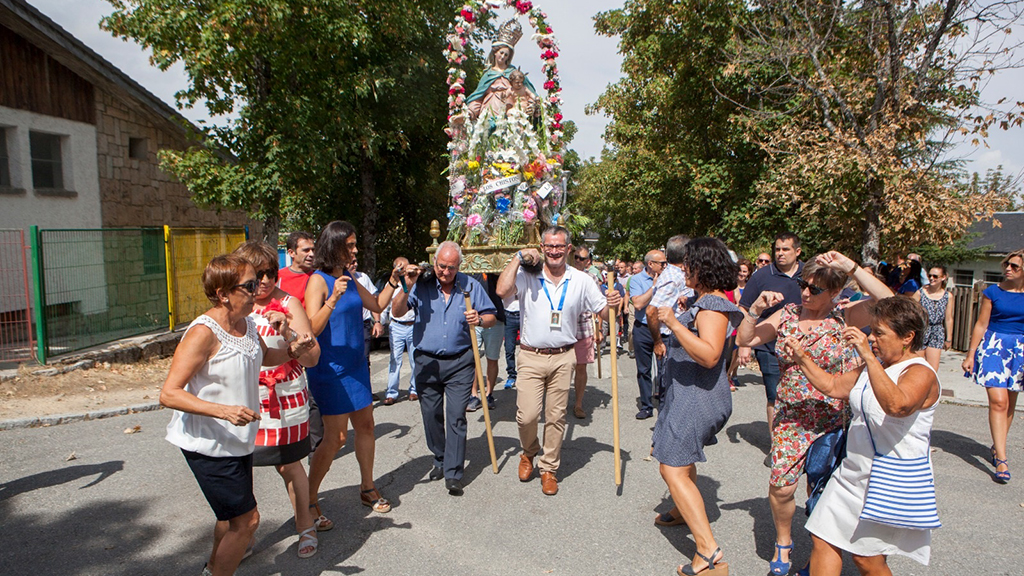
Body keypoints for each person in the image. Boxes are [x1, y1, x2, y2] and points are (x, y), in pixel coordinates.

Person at [737, 252, 895, 575]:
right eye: (803, 284)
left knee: (820, 493)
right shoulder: (788, 315)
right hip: (791, 416)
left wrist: (850, 266)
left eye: (815, 289)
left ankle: (819, 553)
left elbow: (889, 299)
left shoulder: (845, 316)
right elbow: (746, 338)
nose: (806, 293)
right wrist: (754, 309)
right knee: (781, 486)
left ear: (835, 291)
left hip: (831, 417)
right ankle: (784, 541)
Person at [162, 255, 314, 576]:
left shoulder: (245, 324)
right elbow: (169, 393)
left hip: (236, 441)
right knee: (247, 522)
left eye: (259, 279)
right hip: (207, 444)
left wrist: (291, 350)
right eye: (249, 284)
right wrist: (224, 411)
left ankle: (213, 568)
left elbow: (261, 356)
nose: (259, 287)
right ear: (223, 294)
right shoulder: (203, 332)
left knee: (231, 519)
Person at [782, 296, 940, 575]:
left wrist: (868, 355)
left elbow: (897, 406)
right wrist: (801, 357)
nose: (871, 338)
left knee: (867, 560)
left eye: (879, 333)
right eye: (871, 330)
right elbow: (832, 385)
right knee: (823, 538)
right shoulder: (876, 366)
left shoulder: (920, 371)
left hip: (886, 479)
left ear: (907, 337)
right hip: (851, 474)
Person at [496, 226, 621, 496]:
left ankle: (549, 468)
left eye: (559, 247)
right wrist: (517, 256)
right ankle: (529, 451)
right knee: (527, 415)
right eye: (549, 246)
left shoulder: (582, 280)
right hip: (530, 355)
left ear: (569, 249)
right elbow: (502, 290)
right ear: (542, 248)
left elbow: (603, 310)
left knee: (556, 417)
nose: (554, 251)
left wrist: (614, 303)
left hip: (564, 356)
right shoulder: (528, 275)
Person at [650, 238, 742, 576]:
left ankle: (709, 553)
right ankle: (680, 508)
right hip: (685, 394)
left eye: (688, 263)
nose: (682, 268)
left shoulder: (713, 306)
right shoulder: (702, 301)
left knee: (671, 468)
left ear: (702, 267)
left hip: (697, 397)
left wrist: (674, 323)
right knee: (680, 459)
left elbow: (710, 354)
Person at [304, 221, 403, 518]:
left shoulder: (349, 275)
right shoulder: (318, 281)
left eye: (355, 244)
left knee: (367, 427)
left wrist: (394, 281)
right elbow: (311, 327)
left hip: (356, 366)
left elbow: (375, 303)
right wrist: (332, 299)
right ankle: (308, 500)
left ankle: (367, 487)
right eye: (350, 245)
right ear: (334, 246)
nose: (355, 249)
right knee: (335, 439)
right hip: (330, 369)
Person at [232, 241, 324, 558]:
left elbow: (312, 357)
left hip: (284, 399)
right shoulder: (234, 306)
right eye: (258, 275)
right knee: (240, 467)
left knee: (289, 465)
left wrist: (288, 333)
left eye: (271, 272)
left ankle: (306, 524)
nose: (267, 281)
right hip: (245, 399)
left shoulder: (289, 303)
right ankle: (241, 536)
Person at [391, 241, 496, 495]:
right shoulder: (422, 284)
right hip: (427, 361)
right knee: (431, 415)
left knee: (457, 416)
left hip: (460, 361)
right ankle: (439, 457)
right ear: (434, 262)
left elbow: (491, 316)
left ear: (459, 266)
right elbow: (397, 311)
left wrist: (479, 319)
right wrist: (407, 284)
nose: (445, 272)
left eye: (451, 268)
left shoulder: (469, 285)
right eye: (441, 266)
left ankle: (453, 472)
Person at [962, 248, 1024, 484]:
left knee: (1010, 403)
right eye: (1007, 265)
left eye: (1015, 266)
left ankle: (998, 446)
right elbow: (980, 324)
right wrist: (970, 354)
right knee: (999, 401)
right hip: (995, 347)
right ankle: (1002, 459)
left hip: (1020, 351)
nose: (1008, 269)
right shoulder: (992, 292)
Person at [739, 232, 804, 449]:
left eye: (785, 249)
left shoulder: (809, 274)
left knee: (802, 394)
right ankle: (777, 446)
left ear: (797, 251)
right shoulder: (761, 276)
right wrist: (745, 344)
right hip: (769, 345)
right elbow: (744, 308)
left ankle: (801, 442)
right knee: (774, 395)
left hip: (804, 345)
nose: (780, 254)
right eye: (777, 249)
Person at [644, 235, 695, 419]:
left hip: (679, 338)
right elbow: (651, 311)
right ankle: (663, 438)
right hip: (670, 340)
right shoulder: (673, 278)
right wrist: (658, 341)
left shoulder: (679, 274)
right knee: (670, 393)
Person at [466, 19, 536, 121]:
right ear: (495, 52)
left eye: (506, 54)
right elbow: (478, 97)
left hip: (510, 110)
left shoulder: (513, 73)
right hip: (489, 110)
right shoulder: (488, 74)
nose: (503, 56)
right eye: (501, 53)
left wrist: (532, 105)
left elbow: (526, 91)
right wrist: (470, 112)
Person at [630, 250, 667, 420]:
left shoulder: (669, 278)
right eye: (662, 263)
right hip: (643, 327)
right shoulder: (637, 280)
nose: (665, 266)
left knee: (665, 368)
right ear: (651, 264)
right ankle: (646, 405)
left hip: (663, 328)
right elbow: (638, 304)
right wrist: (654, 287)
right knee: (643, 369)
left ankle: (665, 405)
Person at [570, 245, 602, 419]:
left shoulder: (591, 278)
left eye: (581, 258)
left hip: (583, 326)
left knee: (581, 366)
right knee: (562, 366)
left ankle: (578, 403)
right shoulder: (563, 275)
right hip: (563, 326)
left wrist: (598, 329)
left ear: (588, 261)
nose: (577, 261)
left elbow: (598, 305)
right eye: (575, 257)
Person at [468, 272, 505, 412]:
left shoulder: (495, 270)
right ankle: (473, 395)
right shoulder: (469, 269)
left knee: (492, 358)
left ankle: (489, 394)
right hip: (473, 317)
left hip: (495, 318)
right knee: (472, 358)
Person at [384, 257, 417, 405]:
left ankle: (415, 390)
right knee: (395, 359)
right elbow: (384, 304)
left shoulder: (414, 284)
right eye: (400, 267)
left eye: (406, 267)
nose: (403, 270)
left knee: (415, 359)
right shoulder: (391, 285)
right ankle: (392, 392)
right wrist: (380, 323)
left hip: (413, 325)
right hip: (396, 325)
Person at [726, 258, 753, 390]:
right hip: (733, 320)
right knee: (731, 350)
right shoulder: (732, 286)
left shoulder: (750, 287)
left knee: (737, 351)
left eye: (744, 271)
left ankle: (731, 375)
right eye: (739, 271)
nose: (741, 274)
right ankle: (727, 376)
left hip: (745, 321)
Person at [920, 266, 953, 370]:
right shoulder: (921, 292)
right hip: (922, 329)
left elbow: (948, 318)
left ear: (943, 278)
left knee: (932, 368)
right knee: (918, 366)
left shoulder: (948, 296)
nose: (931, 278)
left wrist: (949, 339)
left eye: (935, 276)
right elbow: (908, 310)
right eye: (929, 276)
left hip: (937, 331)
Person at [278, 231, 315, 305]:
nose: (311, 254)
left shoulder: (320, 276)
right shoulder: (278, 277)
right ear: (291, 253)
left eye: (313, 250)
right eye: (306, 250)